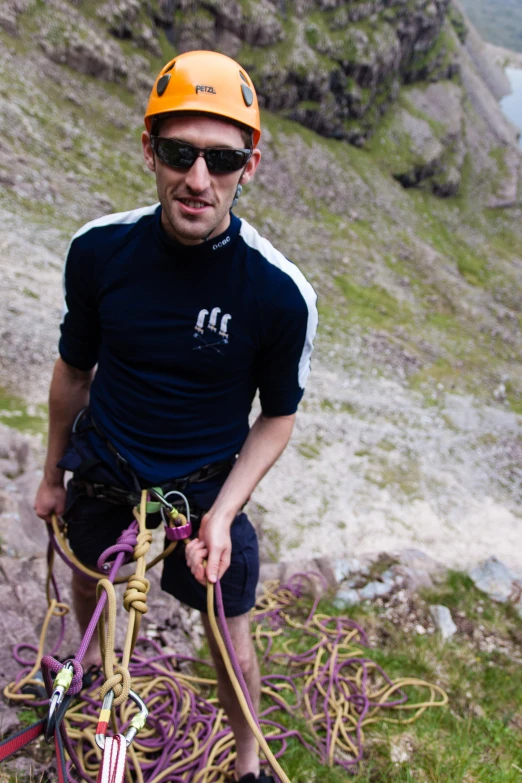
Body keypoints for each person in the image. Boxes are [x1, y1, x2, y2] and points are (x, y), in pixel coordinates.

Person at [34, 49, 318, 783]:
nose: (198, 179)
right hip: (105, 459)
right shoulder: (99, 252)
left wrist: (224, 513)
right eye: (178, 152)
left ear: (250, 164)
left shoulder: (279, 294)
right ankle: (96, 670)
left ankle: (249, 762)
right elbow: (74, 370)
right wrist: (51, 474)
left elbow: (278, 416)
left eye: (221, 159)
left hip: (203, 484)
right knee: (92, 577)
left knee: (229, 638)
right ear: (149, 151)